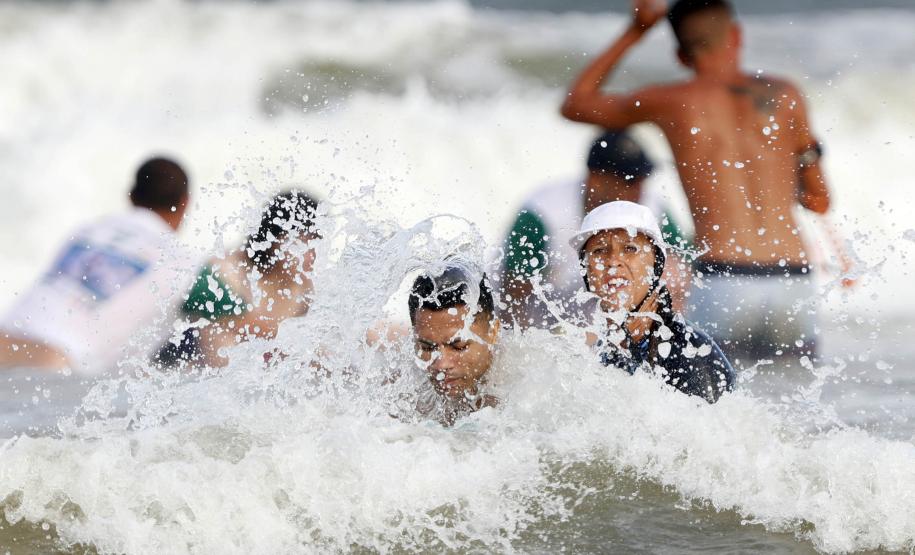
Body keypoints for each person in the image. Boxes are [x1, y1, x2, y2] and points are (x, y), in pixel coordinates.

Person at [561, 0, 832, 357]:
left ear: (680, 55)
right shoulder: (785, 96)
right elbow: (818, 200)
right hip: (791, 278)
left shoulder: (673, 101)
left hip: (724, 279)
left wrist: (636, 31)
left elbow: (576, 104)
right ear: (736, 35)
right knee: (796, 402)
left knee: (717, 403)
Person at [0, 157, 197, 374]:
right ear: (185, 203)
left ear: (130, 195)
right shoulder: (183, 262)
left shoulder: (87, 230)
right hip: (54, 363)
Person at [501, 129, 691, 330]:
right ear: (595, 180)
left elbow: (683, 274)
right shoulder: (543, 211)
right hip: (542, 315)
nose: (638, 191)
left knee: (672, 271)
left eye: (641, 181)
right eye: (628, 181)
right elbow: (514, 293)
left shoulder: (652, 208)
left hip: (603, 311)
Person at [571, 201, 735, 403]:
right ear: (585, 271)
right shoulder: (608, 347)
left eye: (630, 248)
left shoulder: (687, 351)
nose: (613, 261)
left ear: (656, 265)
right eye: (599, 251)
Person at [159, 191, 320, 367]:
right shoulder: (225, 272)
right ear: (275, 240)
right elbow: (220, 355)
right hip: (179, 365)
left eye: (317, 242)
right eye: (305, 243)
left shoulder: (305, 289)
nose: (312, 254)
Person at [408, 264, 500, 425]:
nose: (441, 364)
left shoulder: (531, 391)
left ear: (493, 332)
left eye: (459, 347)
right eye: (427, 347)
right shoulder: (406, 389)